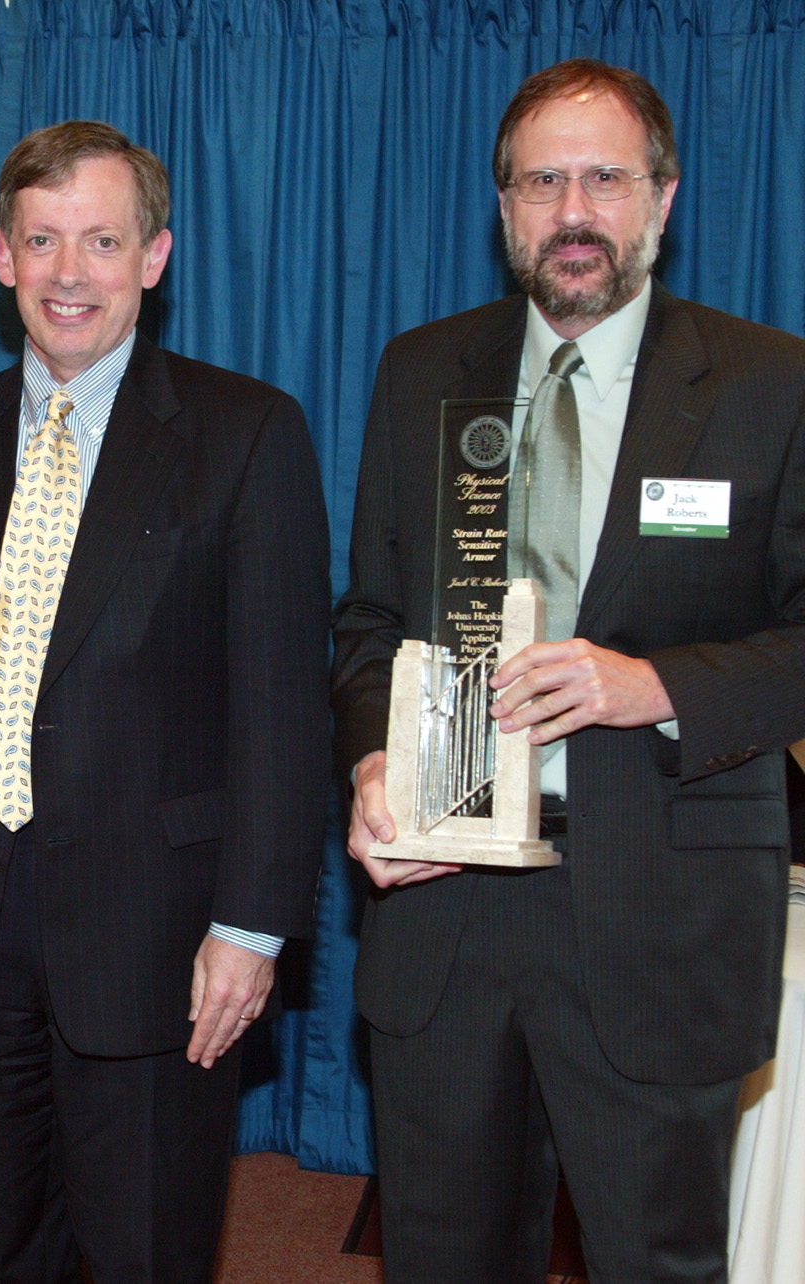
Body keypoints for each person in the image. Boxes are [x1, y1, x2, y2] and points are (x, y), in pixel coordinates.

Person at [333, 59, 805, 1282]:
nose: (574, 210)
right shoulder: (419, 370)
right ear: (504, 208)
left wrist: (656, 688)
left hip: (663, 911)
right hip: (447, 904)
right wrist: (375, 760)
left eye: (606, 177)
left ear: (665, 198)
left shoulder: (771, 384)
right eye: (543, 181)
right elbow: (371, 619)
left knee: (655, 1262)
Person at [0, 120, 330, 1283]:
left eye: (102, 241)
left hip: (160, 938)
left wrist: (250, 926)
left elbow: (282, 709)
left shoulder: (247, 435)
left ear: (154, 258)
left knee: (144, 1255)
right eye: (43, 241)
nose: (71, 275)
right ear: (1, 255)